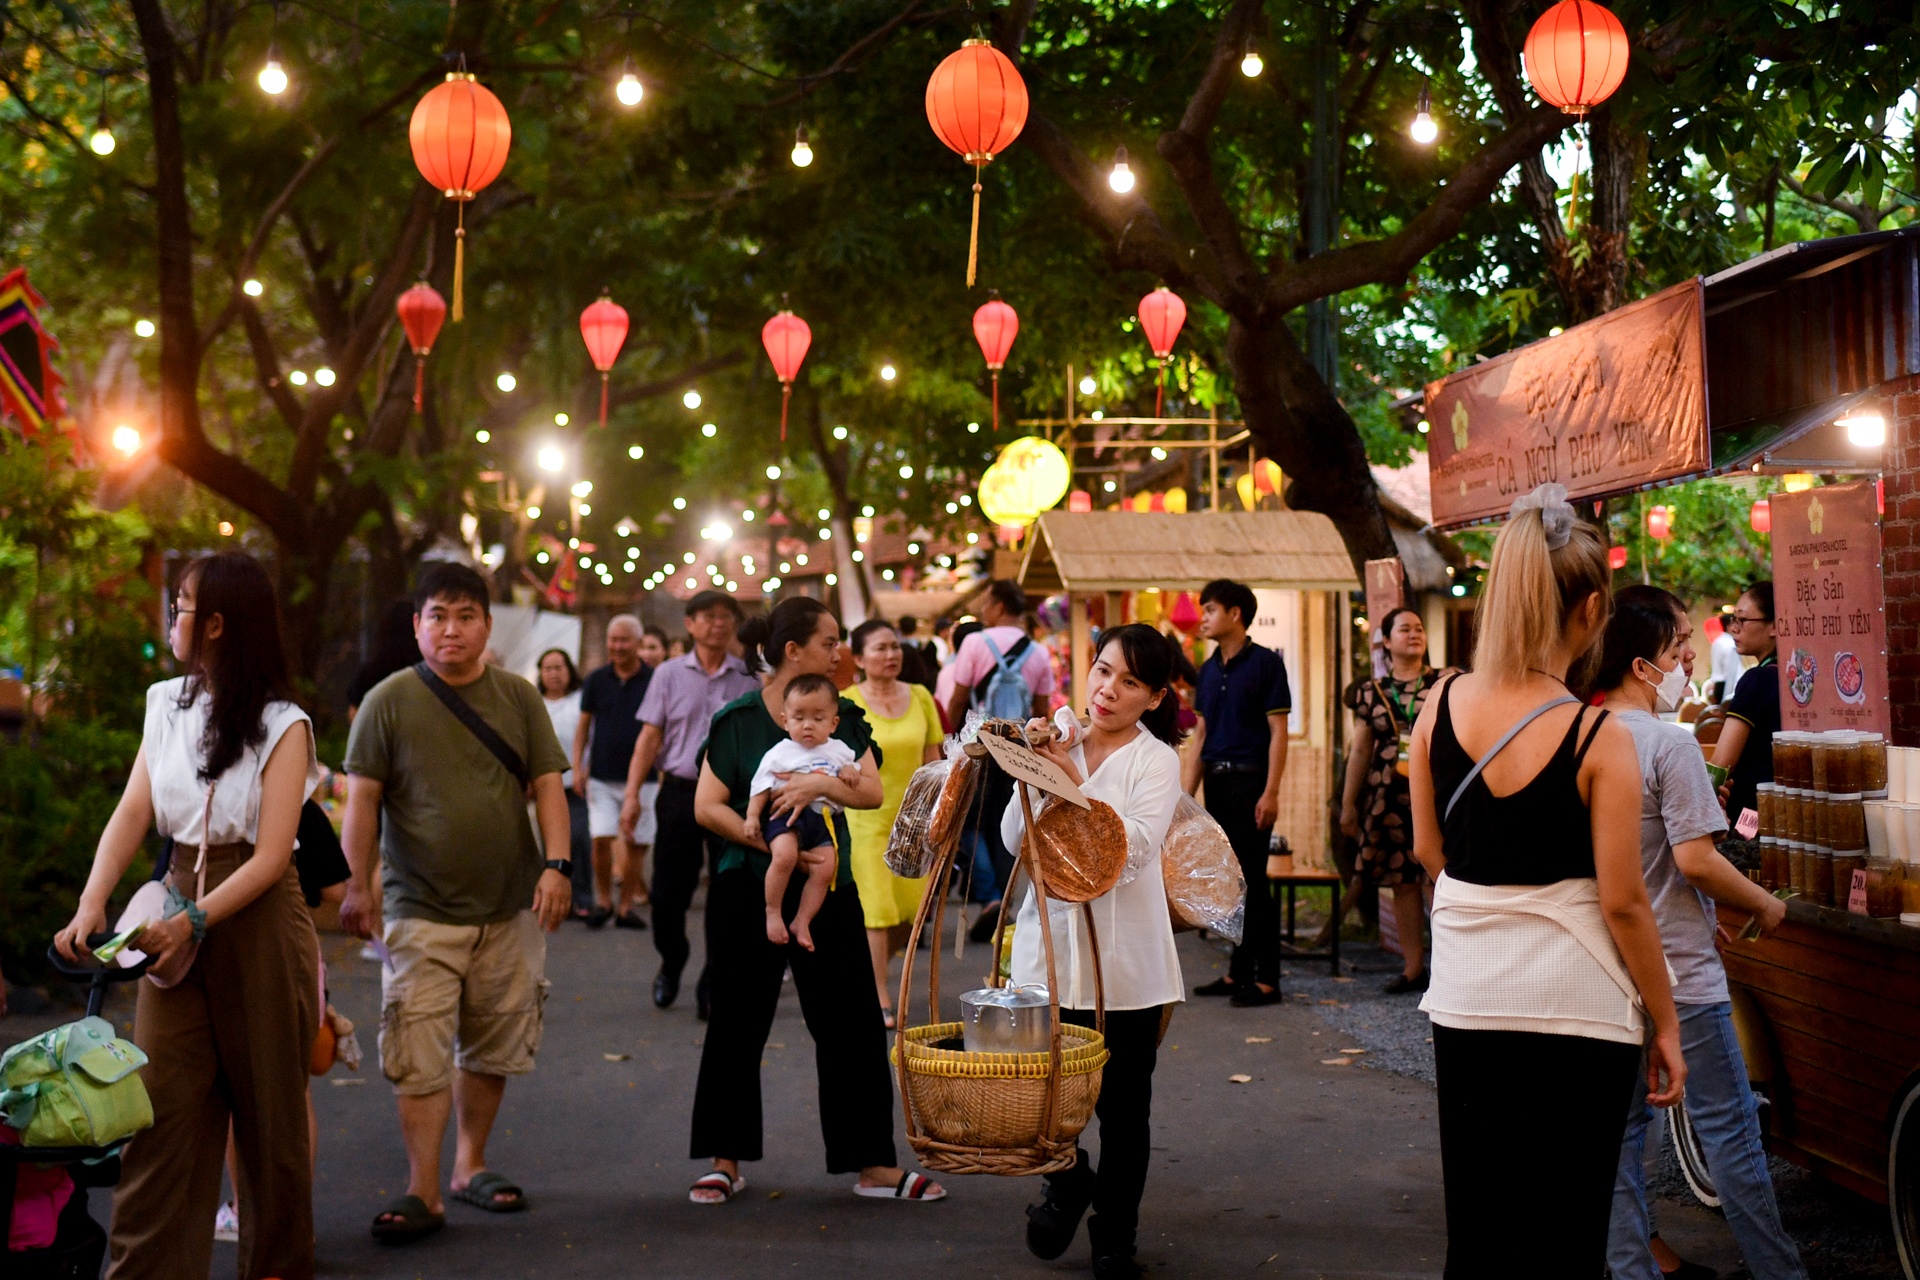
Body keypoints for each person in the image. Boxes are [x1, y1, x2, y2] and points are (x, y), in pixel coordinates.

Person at [1407, 483, 1685, 1275]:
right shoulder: (1599, 736)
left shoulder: (1439, 703)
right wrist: (1666, 1025)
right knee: (1566, 1238)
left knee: (1480, 1234)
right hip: (1580, 1009)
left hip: (1468, 997)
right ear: (1592, 609)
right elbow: (1623, 902)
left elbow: (1430, 852)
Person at [56, 551, 323, 1280]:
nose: (172, 616)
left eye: (181, 605)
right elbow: (133, 811)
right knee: (158, 1116)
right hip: (174, 902)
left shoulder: (284, 723)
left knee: (270, 1127)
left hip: (258, 916)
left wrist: (191, 923)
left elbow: (272, 857)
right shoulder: (165, 703)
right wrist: (92, 899)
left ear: (217, 625)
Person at [338, 561, 574, 1243]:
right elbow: (362, 802)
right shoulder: (387, 701)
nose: (451, 630)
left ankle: (471, 1165)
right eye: (437, 616)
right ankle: (423, 1188)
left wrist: (557, 867)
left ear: (487, 626)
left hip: (511, 903)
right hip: (418, 906)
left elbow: (549, 786)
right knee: (417, 1044)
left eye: (466, 616)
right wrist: (356, 885)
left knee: (494, 1041)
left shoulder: (518, 697)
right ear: (417, 626)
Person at [687, 597, 946, 1206]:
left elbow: (871, 791)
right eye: (830, 642)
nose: (840, 652)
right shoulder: (738, 720)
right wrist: (769, 843)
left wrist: (820, 784)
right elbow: (707, 806)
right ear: (792, 650)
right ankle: (724, 1161)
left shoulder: (843, 716)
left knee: (852, 1023)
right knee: (735, 1023)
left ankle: (874, 1164)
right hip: (746, 886)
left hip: (831, 887)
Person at [1590, 586, 1805, 1280]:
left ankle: (1632, 1271)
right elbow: (1696, 862)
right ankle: (1779, 1273)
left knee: (1623, 1138)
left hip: (1605, 968)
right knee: (1731, 1130)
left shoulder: (1579, 737)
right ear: (1639, 663)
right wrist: (1763, 905)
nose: (1689, 654)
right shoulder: (1666, 745)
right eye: (1677, 642)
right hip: (1681, 972)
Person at [1014, 624, 1185, 1280]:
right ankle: (1067, 1179)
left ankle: (1116, 1235)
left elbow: (1129, 853)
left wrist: (1067, 783)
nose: (1109, 689)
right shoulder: (1059, 738)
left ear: (1155, 697)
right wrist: (1031, 769)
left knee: (1124, 1110)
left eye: (1130, 681)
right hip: (1048, 955)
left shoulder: (1155, 761)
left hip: (1125, 964)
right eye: (1104, 670)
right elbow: (1014, 840)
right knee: (1039, 1095)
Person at [622, 590, 761, 1016]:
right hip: (680, 792)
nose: (718, 623)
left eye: (726, 616)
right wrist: (632, 796)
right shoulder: (667, 674)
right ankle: (673, 958)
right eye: (709, 616)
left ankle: (712, 979)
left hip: (731, 798)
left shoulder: (748, 677)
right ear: (690, 624)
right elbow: (650, 737)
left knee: (726, 893)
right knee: (667, 894)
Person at [1186, 578, 1290, 1007]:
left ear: (1235, 614)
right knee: (1230, 881)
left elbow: (1278, 731)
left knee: (1254, 881)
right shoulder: (1208, 670)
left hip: (1252, 782)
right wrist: (1185, 797)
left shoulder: (1266, 663)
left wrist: (1271, 792)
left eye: (1210, 609)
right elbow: (1201, 734)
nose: (1203, 618)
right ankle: (1238, 972)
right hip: (1217, 781)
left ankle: (1268, 980)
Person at [843, 619, 946, 1025]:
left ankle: (863, 972)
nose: (891, 655)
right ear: (859, 659)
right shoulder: (846, 703)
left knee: (911, 912)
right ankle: (880, 996)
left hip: (914, 822)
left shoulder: (920, 696)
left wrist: (940, 816)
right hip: (866, 819)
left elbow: (934, 760)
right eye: (880, 648)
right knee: (878, 909)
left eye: (895, 647)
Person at [1338, 606, 1444, 993]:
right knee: (1402, 881)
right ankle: (1414, 968)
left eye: (1419, 628)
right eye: (1404, 629)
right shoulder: (1371, 692)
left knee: (1439, 879)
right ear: (1386, 641)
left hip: (1436, 794)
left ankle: (1449, 967)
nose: (1414, 634)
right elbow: (1360, 751)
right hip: (1390, 798)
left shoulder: (1446, 683)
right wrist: (1349, 804)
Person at [946, 583, 1055, 933]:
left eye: (985, 604)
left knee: (968, 820)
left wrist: (950, 744)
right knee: (1008, 823)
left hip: (979, 747)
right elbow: (1042, 709)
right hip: (1018, 750)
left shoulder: (975, 643)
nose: (982, 611)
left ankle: (990, 895)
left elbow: (958, 700)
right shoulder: (1038, 652)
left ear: (997, 606)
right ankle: (1004, 900)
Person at [744, 674, 860, 950]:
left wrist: (849, 771)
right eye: (799, 718)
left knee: (825, 869)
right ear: (785, 721)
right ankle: (773, 911)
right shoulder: (779, 753)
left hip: (824, 820)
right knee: (784, 856)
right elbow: (760, 786)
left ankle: (802, 920)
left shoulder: (840, 750)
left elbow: (854, 768)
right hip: (786, 816)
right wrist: (752, 816)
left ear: (833, 723)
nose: (808, 725)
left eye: (818, 718)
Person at [576, 615, 653, 929]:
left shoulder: (654, 679)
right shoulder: (596, 679)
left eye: (624, 640)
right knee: (601, 838)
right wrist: (578, 766)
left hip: (645, 777)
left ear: (638, 643)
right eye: (613, 640)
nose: (618, 646)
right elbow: (584, 725)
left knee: (636, 843)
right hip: (601, 775)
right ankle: (604, 901)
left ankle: (625, 907)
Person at [1710, 581, 1778, 827]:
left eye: (1743, 620)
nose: (1733, 628)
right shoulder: (1797, 675)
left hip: (1751, 815)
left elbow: (1721, 765)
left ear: (1775, 625)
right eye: (1733, 620)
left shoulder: (1757, 680)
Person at [536, 647, 595, 921]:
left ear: (569, 671)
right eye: (547, 668)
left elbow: (592, 738)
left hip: (576, 784)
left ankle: (583, 898)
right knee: (549, 845)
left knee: (580, 840)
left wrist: (586, 770)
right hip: (544, 786)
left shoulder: (580, 700)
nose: (553, 674)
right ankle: (554, 900)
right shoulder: (534, 703)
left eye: (559, 668)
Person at [1706, 613, 1744, 705]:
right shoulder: (1731, 644)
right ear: (1729, 626)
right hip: (1728, 686)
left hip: (1718, 686)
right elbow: (1731, 672)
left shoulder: (1717, 642)